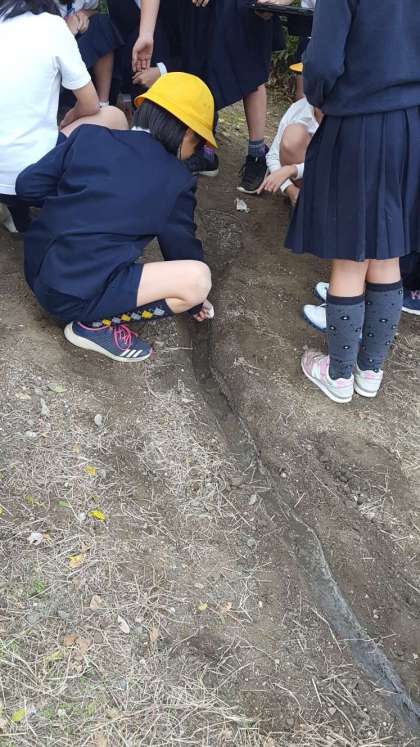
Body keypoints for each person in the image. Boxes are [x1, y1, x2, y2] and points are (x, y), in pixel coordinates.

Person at [16, 73, 215, 363]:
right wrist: (196, 302)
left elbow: (27, 186)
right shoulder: (177, 179)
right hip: (73, 298)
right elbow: (180, 246)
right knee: (198, 280)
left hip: (35, 268)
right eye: (199, 144)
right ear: (188, 134)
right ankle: (94, 325)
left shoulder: (89, 136)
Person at [286, 0, 420, 403]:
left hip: (358, 120)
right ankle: (370, 371)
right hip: (410, 124)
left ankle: (339, 374)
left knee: (350, 253)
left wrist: (318, 97)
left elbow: (323, 60)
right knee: (387, 250)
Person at [133, 0, 289, 191]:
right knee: (198, 65)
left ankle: (257, 154)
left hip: (240, 8)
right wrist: (146, 33)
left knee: (249, 73)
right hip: (195, 11)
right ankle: (203, 150)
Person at [0, 0, 100, 234]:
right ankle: (85, 204)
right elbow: (91, 104)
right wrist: (70, 117)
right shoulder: (54, 27)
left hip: (9, 172)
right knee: (111, 115)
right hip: (31, 176)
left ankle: (17, 217)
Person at [258, 90, 321, 206]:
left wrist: (293, 170)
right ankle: (304, 200)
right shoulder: (299, 108)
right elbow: (273, 156)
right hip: (310, 181)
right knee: (294, 134)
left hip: (340, 184)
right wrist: (290, 189)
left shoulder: (348, 116)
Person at [55, 0, 122, 107]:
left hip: (77, 42)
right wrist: (63, 27)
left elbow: (94, 10)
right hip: (49, 49)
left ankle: (103, 104)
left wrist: (83, 14)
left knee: (101, 23)